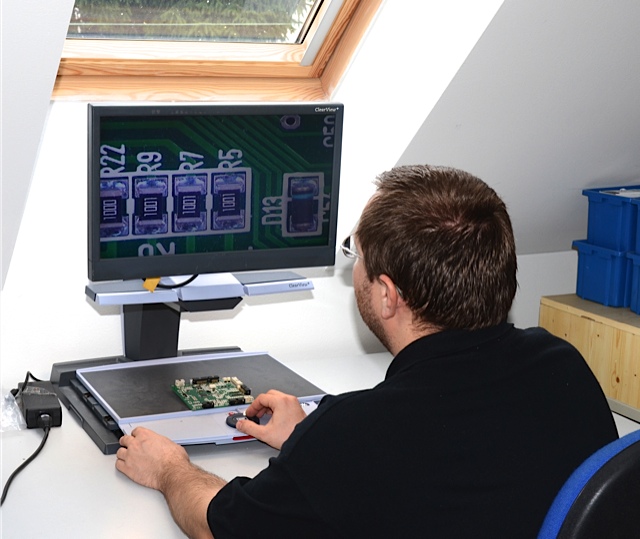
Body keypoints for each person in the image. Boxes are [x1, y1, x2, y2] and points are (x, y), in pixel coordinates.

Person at [116, 165, 618, 539]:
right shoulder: (563, 365)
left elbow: (219, 525)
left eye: (356, 254)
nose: (352, 267)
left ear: (387, 295)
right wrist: (310, 443)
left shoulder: (358, 434)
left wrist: (169, 468)